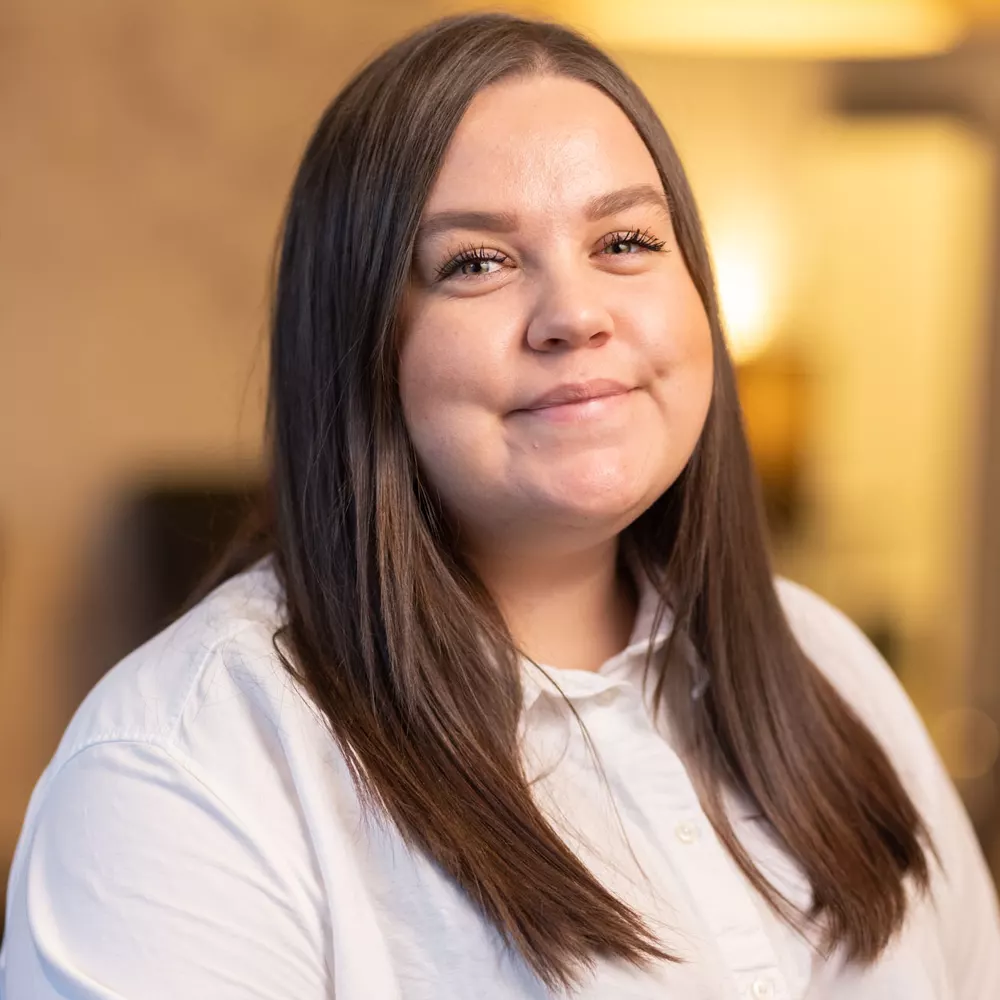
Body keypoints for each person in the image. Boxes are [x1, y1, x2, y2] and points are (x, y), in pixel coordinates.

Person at [2, 12, 998, 999]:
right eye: (475, 262)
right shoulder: (183, 769)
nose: (574, 314)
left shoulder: (830, 673)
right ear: (362, 346)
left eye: (626, 240)